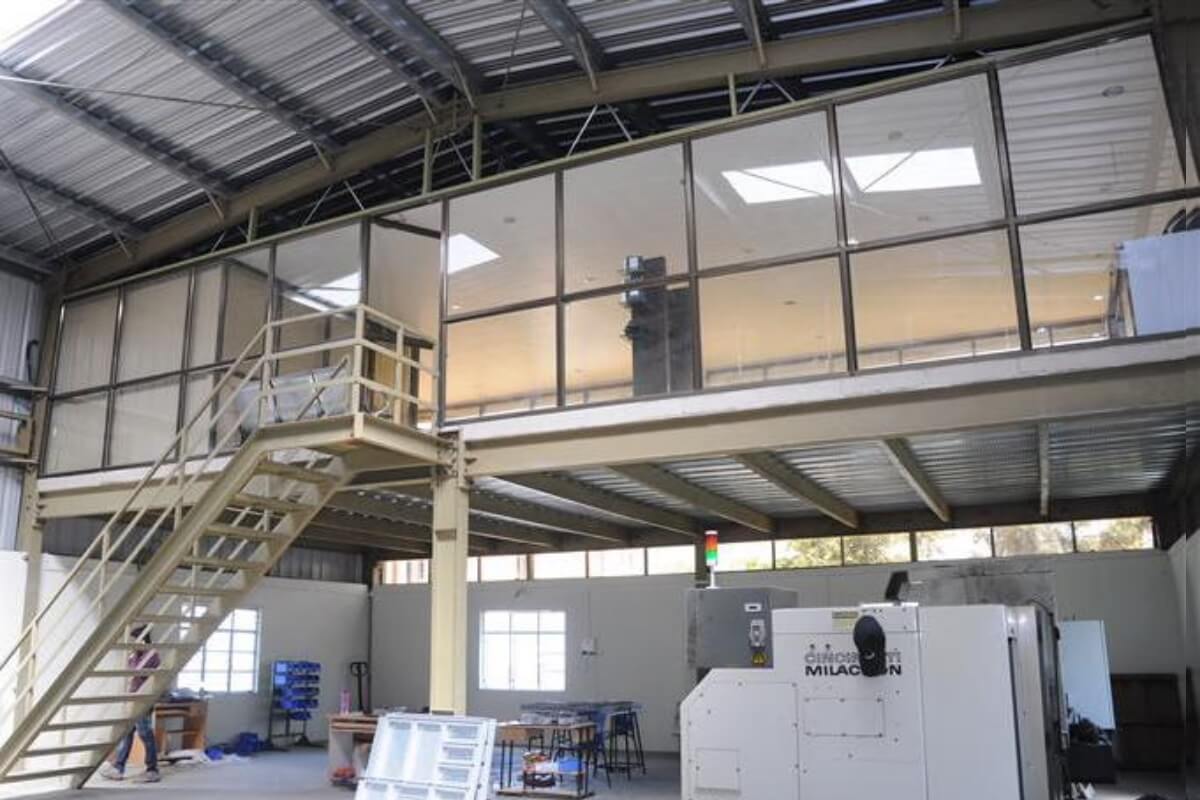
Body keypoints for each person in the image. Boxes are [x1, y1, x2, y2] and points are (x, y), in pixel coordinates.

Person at [98, 626, 162, 783]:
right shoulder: (135, 656)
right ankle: (118, 768)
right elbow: (130, 673)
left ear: (143, 641)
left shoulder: (152, 656)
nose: (133, 644)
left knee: (145, 733)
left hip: (143, 699)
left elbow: (141, 674)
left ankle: (152, 770)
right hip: (132, 698)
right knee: (126, 733)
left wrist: (135, 660)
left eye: (136, 641)